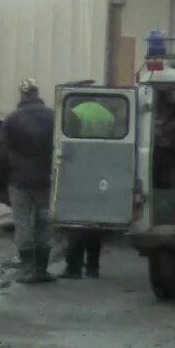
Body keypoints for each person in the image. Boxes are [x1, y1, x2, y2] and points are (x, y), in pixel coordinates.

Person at [0, 77, 55, 284]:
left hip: (19, 181)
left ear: (22, 94)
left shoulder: (12, 119)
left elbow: (1, 152)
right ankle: (42, 270)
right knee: (44, 223)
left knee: (22, 222)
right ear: (37, 93)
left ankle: (28, 270)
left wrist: (5, 177)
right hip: (46, 180)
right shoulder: (52, 116)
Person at [60, 96, 117, 279]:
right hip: (100, 169)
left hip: (79, 169)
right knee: (95, 222)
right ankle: (93, 267)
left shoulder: (75, 113)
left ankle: (73, 268)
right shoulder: (108, 116)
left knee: (77, 221)